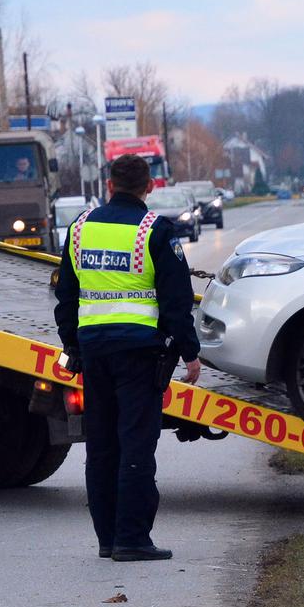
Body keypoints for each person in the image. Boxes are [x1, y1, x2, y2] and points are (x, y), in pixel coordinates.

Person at [54, 154, 200, 562]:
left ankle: (108, 538)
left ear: (109, 185)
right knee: (136, 445)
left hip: (94, 351)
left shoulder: (80, 228)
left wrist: (72, 345)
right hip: (139, 354)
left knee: (101, 446)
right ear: (149, 186)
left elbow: (66, 296)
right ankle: (132, 539)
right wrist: (190, 353)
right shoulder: (155, 230)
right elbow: (176, 302)